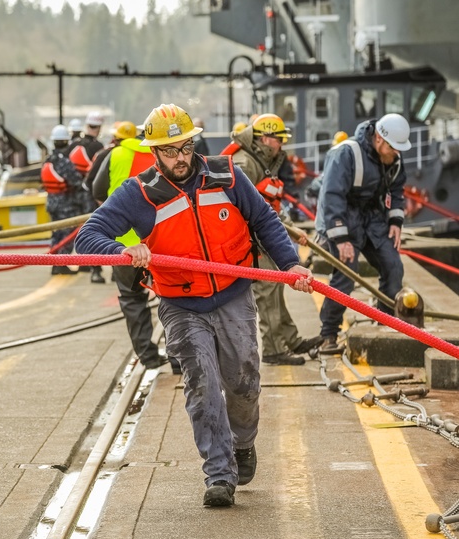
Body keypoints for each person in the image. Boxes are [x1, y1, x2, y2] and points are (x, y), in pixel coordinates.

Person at [76, 103, 313, 508]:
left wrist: (290, 264)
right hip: (181, 304)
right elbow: (87, 236)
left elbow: (265, 221)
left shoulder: (227, 175)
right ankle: (219, 473)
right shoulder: (138, 194)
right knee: (201, 386)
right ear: (154, 153)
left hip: (234, 293)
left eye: (185, 148)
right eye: (170, 151)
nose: (180, 158)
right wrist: (122, 249)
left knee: (244, 382)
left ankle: (243, 444)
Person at [225, 115, 323, 365]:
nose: (281, 145)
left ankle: (290, 339)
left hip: (262, 236)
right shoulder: (245, 163)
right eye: (279, 140)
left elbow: (267, 206)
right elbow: (243, 210)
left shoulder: (261, 159)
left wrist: (290, 229)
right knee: (267, 291)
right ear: (266, 139)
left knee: (277, 287)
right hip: (251, 241)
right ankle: (273, 349)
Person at [314, 113, 410, 355]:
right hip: (343, 217)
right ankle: (328, 333)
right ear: (379, 139)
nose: (397, 154)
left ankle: (385, 322)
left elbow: (397, 190)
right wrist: (341, 238)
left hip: (372, 217)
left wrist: (395, 220)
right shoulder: (345, 154)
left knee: (393, 267)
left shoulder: (394, 159)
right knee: (347, 274)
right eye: (393, 148)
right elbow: (331, 196)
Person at [88, 121, 171, 370]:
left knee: (133, 299)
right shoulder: (164, 153)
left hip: (124, 246)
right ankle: (179, 357)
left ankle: (148, 356)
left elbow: (96, 189)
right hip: (161, 241)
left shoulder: (115, 154)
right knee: (174, 296)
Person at [41, 124, 89, 275]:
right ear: (67, 142)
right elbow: (75, 182)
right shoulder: (64, 162)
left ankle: (55, 264)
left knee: (56, 234)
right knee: (67, 234)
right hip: (65, 204)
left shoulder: (48, 159)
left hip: (52, 202)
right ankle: (61, 264)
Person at [68, 111, 105, 283]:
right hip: (92, 196)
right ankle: (96, 270)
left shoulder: (74, 144)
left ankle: (85, 262)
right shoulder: (98, 147)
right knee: (96, 231)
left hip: (75, 195)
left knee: (81, 231)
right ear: (99, 128)